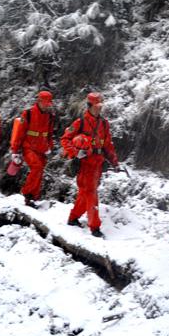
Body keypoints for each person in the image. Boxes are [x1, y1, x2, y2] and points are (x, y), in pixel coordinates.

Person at [60, 92, 119, 237]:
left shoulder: (104, 124)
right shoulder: (80, 122)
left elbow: (108, 145)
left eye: (100, 106)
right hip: (85, 164)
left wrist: (114, 162)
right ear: (89, 106)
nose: (99, 108)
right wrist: (75, 152)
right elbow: (65, 139)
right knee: (91, 193)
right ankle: (94, 227)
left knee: (84, 193)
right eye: (96, 106)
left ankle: (73, 218)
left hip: (97, 164)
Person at [11, 90, 55, 207]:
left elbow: (49, 134)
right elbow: (20, 132)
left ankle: (33, 197)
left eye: (48, 104)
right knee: (36, 167)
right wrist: (15, 150)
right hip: (28, 147)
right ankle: (27, 194)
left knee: (39, 171)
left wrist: (50, 146)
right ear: (39, 101)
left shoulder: (50, 116)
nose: (47, 106)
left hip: (42, 148)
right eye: (45, 103)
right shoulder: (28, 114)